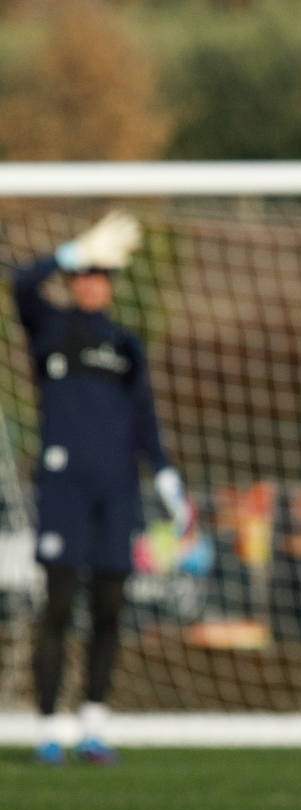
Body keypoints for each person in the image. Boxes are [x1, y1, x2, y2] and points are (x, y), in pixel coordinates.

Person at [11, 211, 190, 765]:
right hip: (63, 491)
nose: (92, 282)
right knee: (59, 604)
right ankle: (47, 728)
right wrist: (68, 250)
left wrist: (165, 476)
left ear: (111, 284)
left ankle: (93, 723)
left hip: (117, 492)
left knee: (110, 604)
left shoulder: (126, 346)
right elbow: (18, 281)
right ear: (72, 280)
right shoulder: (51, 329)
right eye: (83, 274)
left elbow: (144, 420)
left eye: (100, 274)